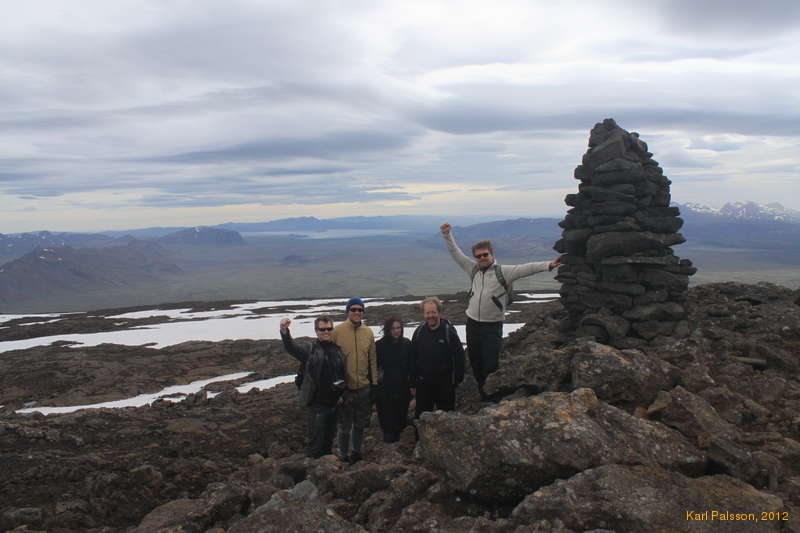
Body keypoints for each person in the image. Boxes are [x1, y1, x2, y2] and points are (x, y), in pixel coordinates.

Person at [440, 222, 561, 399]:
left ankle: (492, 396)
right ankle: (483, 393)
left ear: (491, 254)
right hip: (472, 323)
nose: (481, 258)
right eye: (478, 256)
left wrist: (548, 265)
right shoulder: (472, 269)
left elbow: (526, 268)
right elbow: (455, 253)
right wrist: (446, 235)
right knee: (475, 361)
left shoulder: (503, 272)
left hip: (492, 325)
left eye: (484, 254)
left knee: (490, 363)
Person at [280, 315, 346, 458]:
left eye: (329, 328)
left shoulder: (337, 350)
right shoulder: (310, 349)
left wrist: (341, 394)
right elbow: (292, 347)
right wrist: (285, 331)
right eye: (322, 329)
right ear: (316, 331)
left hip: (334, 405)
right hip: (317, 406)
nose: (326, 332)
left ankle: (326, 473)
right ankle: (311, 474)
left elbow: (341, 375)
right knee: (315, 444)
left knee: (328, 442)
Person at [331, 297, 378, 464]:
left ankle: (356, 452)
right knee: (344, 426)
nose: (357, 312)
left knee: (359, 424)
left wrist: (374, 384)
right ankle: (343, 455)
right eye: (354, 309)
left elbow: (372, 359)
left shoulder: (368, 332)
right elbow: (331, 361)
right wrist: (336, 388)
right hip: (345, 389)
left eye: (360, 310)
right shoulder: (336, 332)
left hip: (364, 388)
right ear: (347, 311)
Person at [410, 296, 465, 417]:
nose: (431, 316)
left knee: (447, 420)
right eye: (428, 313)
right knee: (421, 420)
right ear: (423, 314)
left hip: (445, 387)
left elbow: (459, 356)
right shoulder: (419, 332)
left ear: (439, 312)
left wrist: (455, 381)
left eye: (433, 312)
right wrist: (413, 382)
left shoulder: (448, 332)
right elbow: (413, 358)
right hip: (424, 386)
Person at [375, 317, 413, 443]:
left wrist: (412, 385)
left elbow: (412, 366)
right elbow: (374, 368)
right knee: (387, 423)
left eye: (398, 328)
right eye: (393, 328)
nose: (396, 331)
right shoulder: (379, 346)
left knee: (401, 420)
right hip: (385, 391)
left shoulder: (407, 344)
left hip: (403, 389)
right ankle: (389, 449)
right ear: (387, 330)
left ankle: (397, 449)